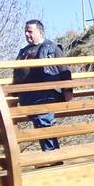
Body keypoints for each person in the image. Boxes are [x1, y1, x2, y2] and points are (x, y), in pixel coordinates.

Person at [13, 20, 72, 152]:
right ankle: (51, 156)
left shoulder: (52, 48)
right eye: (25, 32)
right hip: (27, 95)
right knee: (39, 124)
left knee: (43, 121)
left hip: (47, 93)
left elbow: (64, 69)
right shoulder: (23, 52)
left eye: (30, 31)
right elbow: (17, 73)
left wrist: (68, 89)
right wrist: (13, 93)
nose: (27, 34)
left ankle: (52, 156)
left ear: (40, 32)